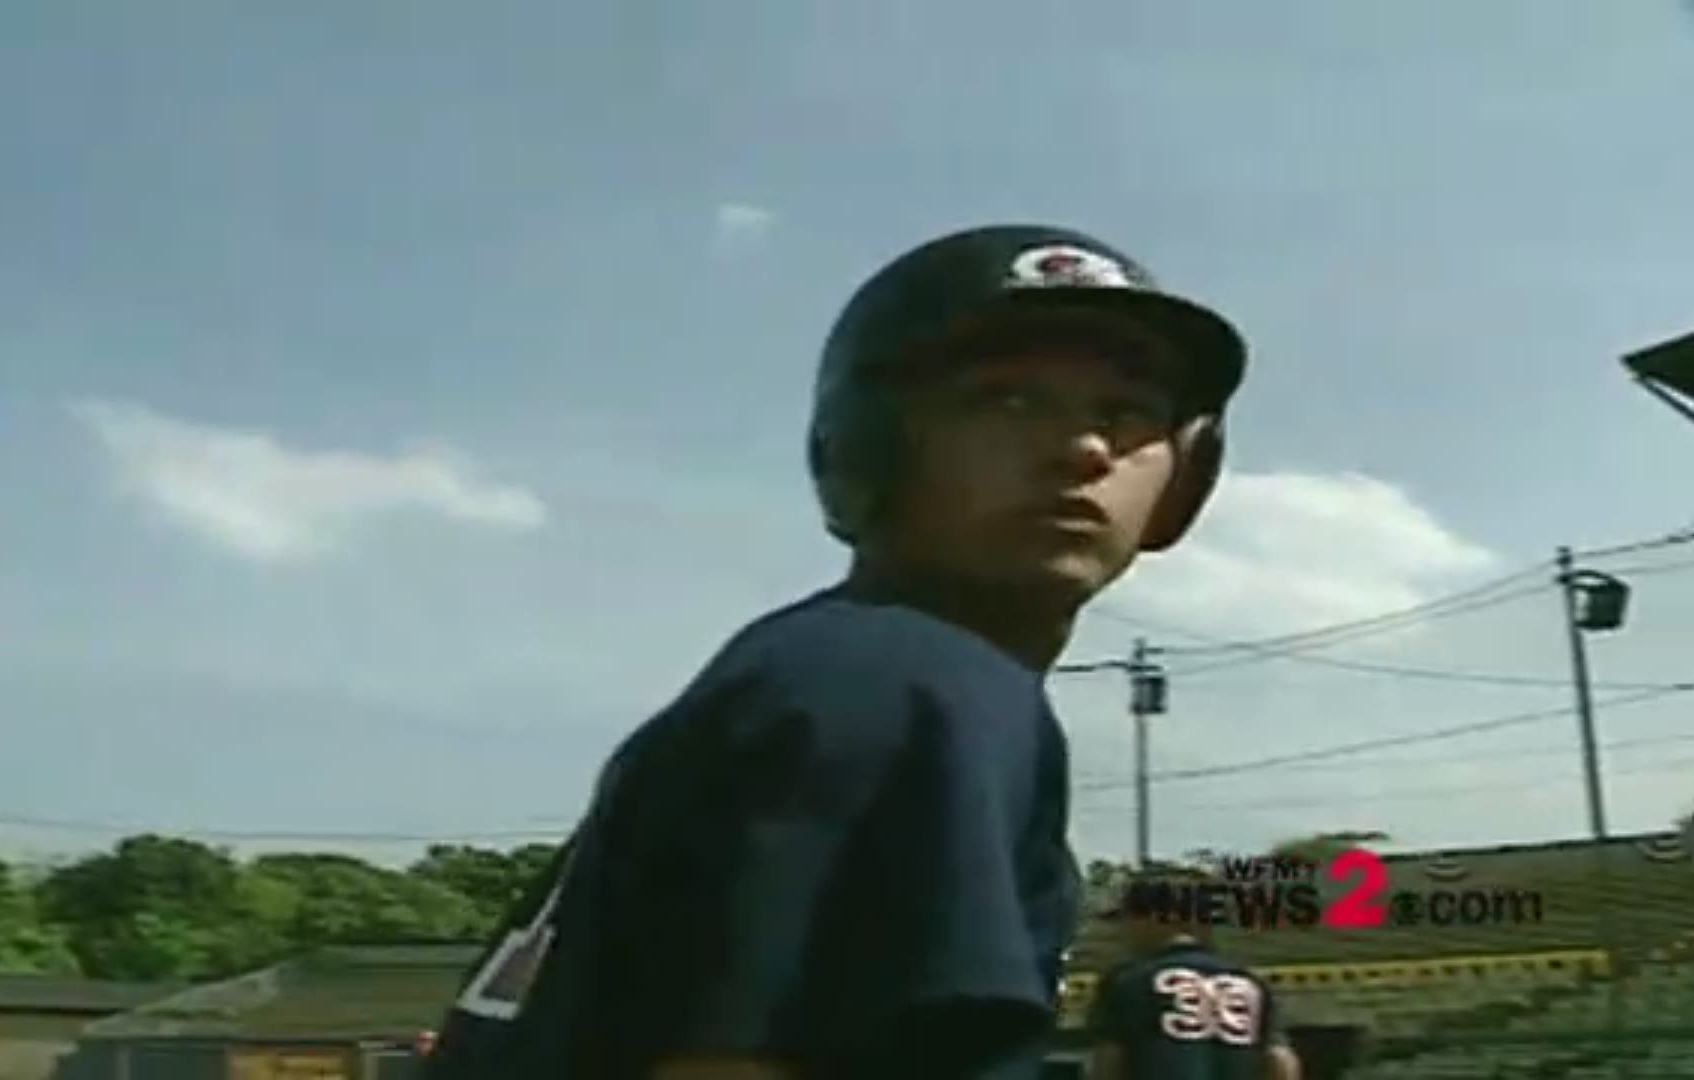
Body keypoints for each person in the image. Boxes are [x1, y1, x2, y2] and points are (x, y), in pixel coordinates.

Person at [421, 223, 1249, 1079]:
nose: (1082, 449)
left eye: (1127, 414)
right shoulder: (914, 685)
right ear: (867, 446)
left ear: (1184, 482)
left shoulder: (824, 668)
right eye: (1007, 399)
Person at [1085, 869, 1303, 1080]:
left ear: (1163, 918)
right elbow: (1280, 1063)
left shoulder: (1127, 981)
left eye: (1130, 918)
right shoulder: (1251, 984)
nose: (1125, 930)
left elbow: (1108, 1064)